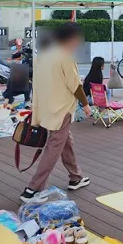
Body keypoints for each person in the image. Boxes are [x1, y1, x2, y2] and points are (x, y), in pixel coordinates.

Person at [20, 23, 91, 204]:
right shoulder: (65, 56)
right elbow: (75, 85)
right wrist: (86, 105)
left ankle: (76, 176)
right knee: (54, 147)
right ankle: (33, 189)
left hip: (46, 108)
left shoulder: (43, 55)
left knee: (65, 141)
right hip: (61, 109)